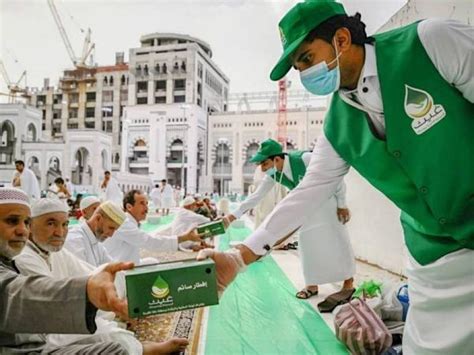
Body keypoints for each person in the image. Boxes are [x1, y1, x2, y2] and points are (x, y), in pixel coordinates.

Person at [199, 2, 474, 354]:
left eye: (306, 58)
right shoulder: (336, 127)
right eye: (298, 66)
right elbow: (308, 192)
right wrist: (238, 258)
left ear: (341, 39)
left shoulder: (430, 43)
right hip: (434, 254)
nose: (303, 72)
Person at [14, 198, 188, 354]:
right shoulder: (28, 256)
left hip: (80, 303)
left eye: (65, 225)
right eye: (50, 223)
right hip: (54, 325)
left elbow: (91, 272)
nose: (60, 233)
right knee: (111, 339)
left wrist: (110, 286)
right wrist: (102, 295)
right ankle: (141, 347)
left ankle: (133, 338)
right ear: (29, 225)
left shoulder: (53, 251)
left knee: (127, 280)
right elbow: (57, 301)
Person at [0, 187, 134, 354]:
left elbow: (90, 272)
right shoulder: (23, 257)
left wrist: (101, 287)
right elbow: (18, 292)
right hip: (45, 337)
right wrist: (87, 292)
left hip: (43, 337)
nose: (22, 231)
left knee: (115, 347)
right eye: (12, 221)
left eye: (25, 222)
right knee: (118, 343)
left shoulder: (16, 257)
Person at [225, 139, 354, 298]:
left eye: (265, 164)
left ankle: (348, 283)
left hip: (328, 204)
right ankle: (311, 285)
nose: (264, 169)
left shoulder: (305, 159)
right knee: (308, 245)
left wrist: (342, 204)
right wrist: (232, 216)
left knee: (337, 241)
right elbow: (256, 196)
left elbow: (335, 177)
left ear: (277, 159)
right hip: (306, 210)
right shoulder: (274, 174)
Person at [104, 189, 202, 264]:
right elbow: (150, 241)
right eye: (142, 204)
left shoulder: (131, 222)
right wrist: (185, 237)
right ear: (129, 207)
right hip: (117, 269)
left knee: (152, 262)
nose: (146, 208)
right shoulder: (125, 223)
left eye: (147, 203)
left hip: (128, 263)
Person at [65, 201, 126, 267]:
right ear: (98, 218)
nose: (111, 235)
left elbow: (112, 268)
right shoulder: (75, 240)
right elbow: (82, 275)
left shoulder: (97, 244)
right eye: (111, 228)